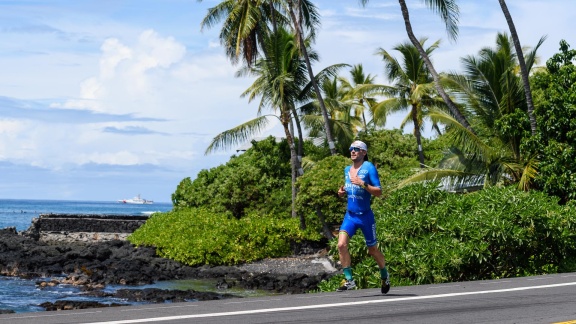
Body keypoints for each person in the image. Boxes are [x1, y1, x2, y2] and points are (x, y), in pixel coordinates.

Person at [336, 140, 390, 294]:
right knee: (341, 245)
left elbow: (379, 192)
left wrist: (363, 184)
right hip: (350, 216)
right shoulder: (347, 169)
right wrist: (341, 192)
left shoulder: (369, 168)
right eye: (351, 148)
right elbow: (349, 187)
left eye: (357, 149)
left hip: (365, 216)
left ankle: (384, 275)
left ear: (364, 153)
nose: (353, 151)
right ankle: (349, 280)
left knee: (372, 250)